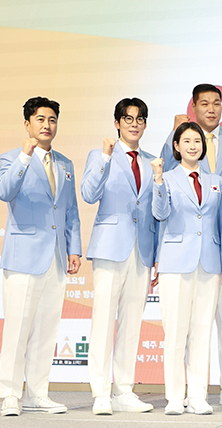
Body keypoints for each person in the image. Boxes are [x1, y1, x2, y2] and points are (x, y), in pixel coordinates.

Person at [160, 83, 222, 404]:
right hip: (182, 254)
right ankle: (179, 395)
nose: (211, 109)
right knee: (180, 328)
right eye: (204, 103)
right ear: (193, 108)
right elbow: (164, 191)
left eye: (216, 103)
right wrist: (174, 134)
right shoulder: (176, 142)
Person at [0, 96, 82, 416]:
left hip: (56, 259)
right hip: (23, 258)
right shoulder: (11, 158)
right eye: (41, 119)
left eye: (52, 120)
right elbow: (4, 192)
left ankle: (37, 393)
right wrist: (25, 156)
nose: (47, 125)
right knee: (17, 329)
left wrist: (74, 249)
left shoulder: (65, 164)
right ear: (27, 123)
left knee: (46, 329)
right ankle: (10, 395)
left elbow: (70, 210)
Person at [151, 122, 222, 415]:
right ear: (176, 146)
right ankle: (175, 396)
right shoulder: (167, 178)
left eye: (197, 141)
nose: (192, 146)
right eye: (186, 141)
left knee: (202, 332)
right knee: (175, 332)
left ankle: (198, 395)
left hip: (209, 263)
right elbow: (160, 213)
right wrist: (158, 181)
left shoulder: (215, 180)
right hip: (176, 263)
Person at [81, 98, 157, 415]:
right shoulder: (101, 156)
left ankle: (124, 390)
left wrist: (157, 255)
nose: (134, 124)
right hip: (110, 247)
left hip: (142, 250)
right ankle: (101, 392)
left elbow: (155, 210)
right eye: (128, 118)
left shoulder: (153, 161)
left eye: (140, 119)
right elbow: (89, 194)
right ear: (117, 122)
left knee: (131, 323)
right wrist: (105, 157)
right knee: (103, 320)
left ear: (145, 124)